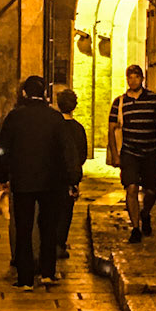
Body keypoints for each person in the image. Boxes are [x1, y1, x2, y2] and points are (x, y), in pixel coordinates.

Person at [0, 75, 80, 290]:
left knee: (24, 228)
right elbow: (67, 150)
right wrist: (73, 179)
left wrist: (0, 176)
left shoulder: (14, 117)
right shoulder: (55, 118)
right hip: (52, 182)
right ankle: (48, 273)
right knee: (48, 227)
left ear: (24, 93)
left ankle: (25, 278)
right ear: (44, 94)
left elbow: (2, 149)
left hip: (23, 180)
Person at [107, 62, 156, 244]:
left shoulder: (154, 100)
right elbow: (111, 130)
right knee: (131, 188)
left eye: (136, 77)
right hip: (130, 152)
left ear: (142, 78)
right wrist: (115, 154)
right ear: (127, 79)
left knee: (151, 190)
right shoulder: (120, 102)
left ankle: (146, 213)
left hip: (150, 151)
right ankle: (135, 228)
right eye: (130, 77)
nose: (133, 80)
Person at [54, 86, 89, 260]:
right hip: (70, 176)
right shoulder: (78, 128)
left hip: (53, 175)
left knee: (51, 209)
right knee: (66, 211)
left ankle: (51, 241)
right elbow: (83, 153)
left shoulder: (53, 126)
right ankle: (60, 243)